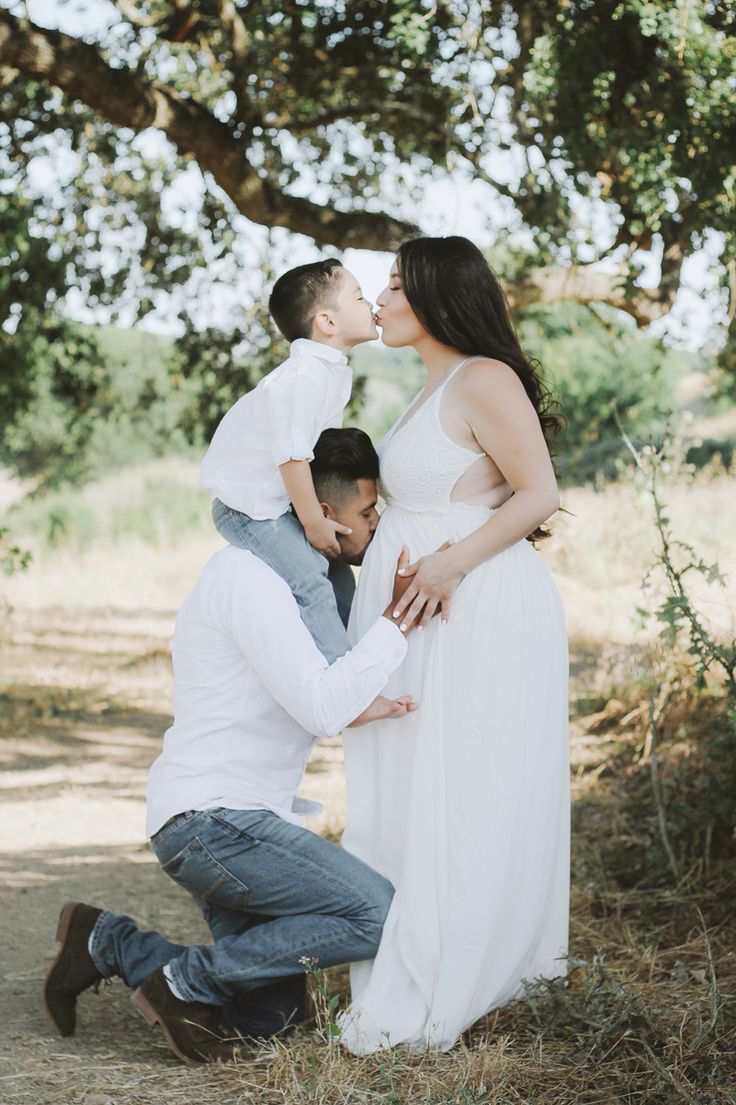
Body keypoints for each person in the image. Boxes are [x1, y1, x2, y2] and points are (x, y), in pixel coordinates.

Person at [42, 429, 419, 1067]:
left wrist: (371, 697)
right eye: (368, 512)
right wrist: (399, 620)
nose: (376, 526)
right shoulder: (248, 578)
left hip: (242, 824)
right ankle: (185, 979)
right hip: (211, 824)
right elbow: (323, 707)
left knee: (268, 1020)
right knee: (377, 914)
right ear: (322, 513)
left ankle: (107, 942)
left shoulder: (304, 589)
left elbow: (323, 689)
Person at [339, 236, 570, 1054]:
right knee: (418, 787)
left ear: (438, 295)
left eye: (397, 285)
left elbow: (539, 491)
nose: (383, 299)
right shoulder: (427, 388)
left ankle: (464, 965)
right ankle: (417, 942)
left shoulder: (483, 377)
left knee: (468, 782)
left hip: (476, 607)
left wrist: (446, 563)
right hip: (429, 611)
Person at [200, 259, 377, 663]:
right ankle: (342, 676)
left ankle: (361, 658)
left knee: (337, 571)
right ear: (327, 322)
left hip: (281, 505)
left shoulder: (327, 373)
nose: (370, 305)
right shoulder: (302, 378)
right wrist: (314, 523)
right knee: (310, 582)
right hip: (249, 509)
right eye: (360, 297)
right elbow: (293, 458)